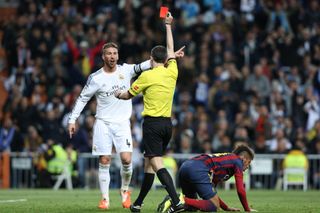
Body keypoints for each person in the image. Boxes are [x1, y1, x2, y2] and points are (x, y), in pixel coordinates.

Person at [68, 38, 185, 209]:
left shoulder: (126, 70)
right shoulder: (96, 78)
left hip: (122, 123)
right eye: (109, 53)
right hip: (102, 122)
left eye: (115, 53)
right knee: (105, 159)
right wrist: (72, 119)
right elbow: (82, 98)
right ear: (103, 57)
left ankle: (124, 190)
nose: (112, 56)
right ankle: (105, 199)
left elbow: (149, 64)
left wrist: (169, 56)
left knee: (126, 159)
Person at [115, 12, 185, 213]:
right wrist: (168, 25)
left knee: (157, 164)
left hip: (152, 125)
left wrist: (116, 94)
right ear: (166, 60)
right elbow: (171, 49)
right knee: (149, 165)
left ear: (151, 58)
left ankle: (176, 201)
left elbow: (128, 95)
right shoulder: (172, 71)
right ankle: (137, 203)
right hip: (167, 125)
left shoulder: (146, 76)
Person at [158, 144, 257, 212]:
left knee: (192, 207)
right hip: (198, 168)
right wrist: (247, 210)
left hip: (186, 167)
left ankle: (174, 200)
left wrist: (226, 208)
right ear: (243, 158)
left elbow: (213, 194)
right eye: (249, 162)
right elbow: (240, 190)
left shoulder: (225, 164)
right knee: (213, 207)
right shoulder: (237, 161)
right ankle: (178, 199)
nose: (248, 166)